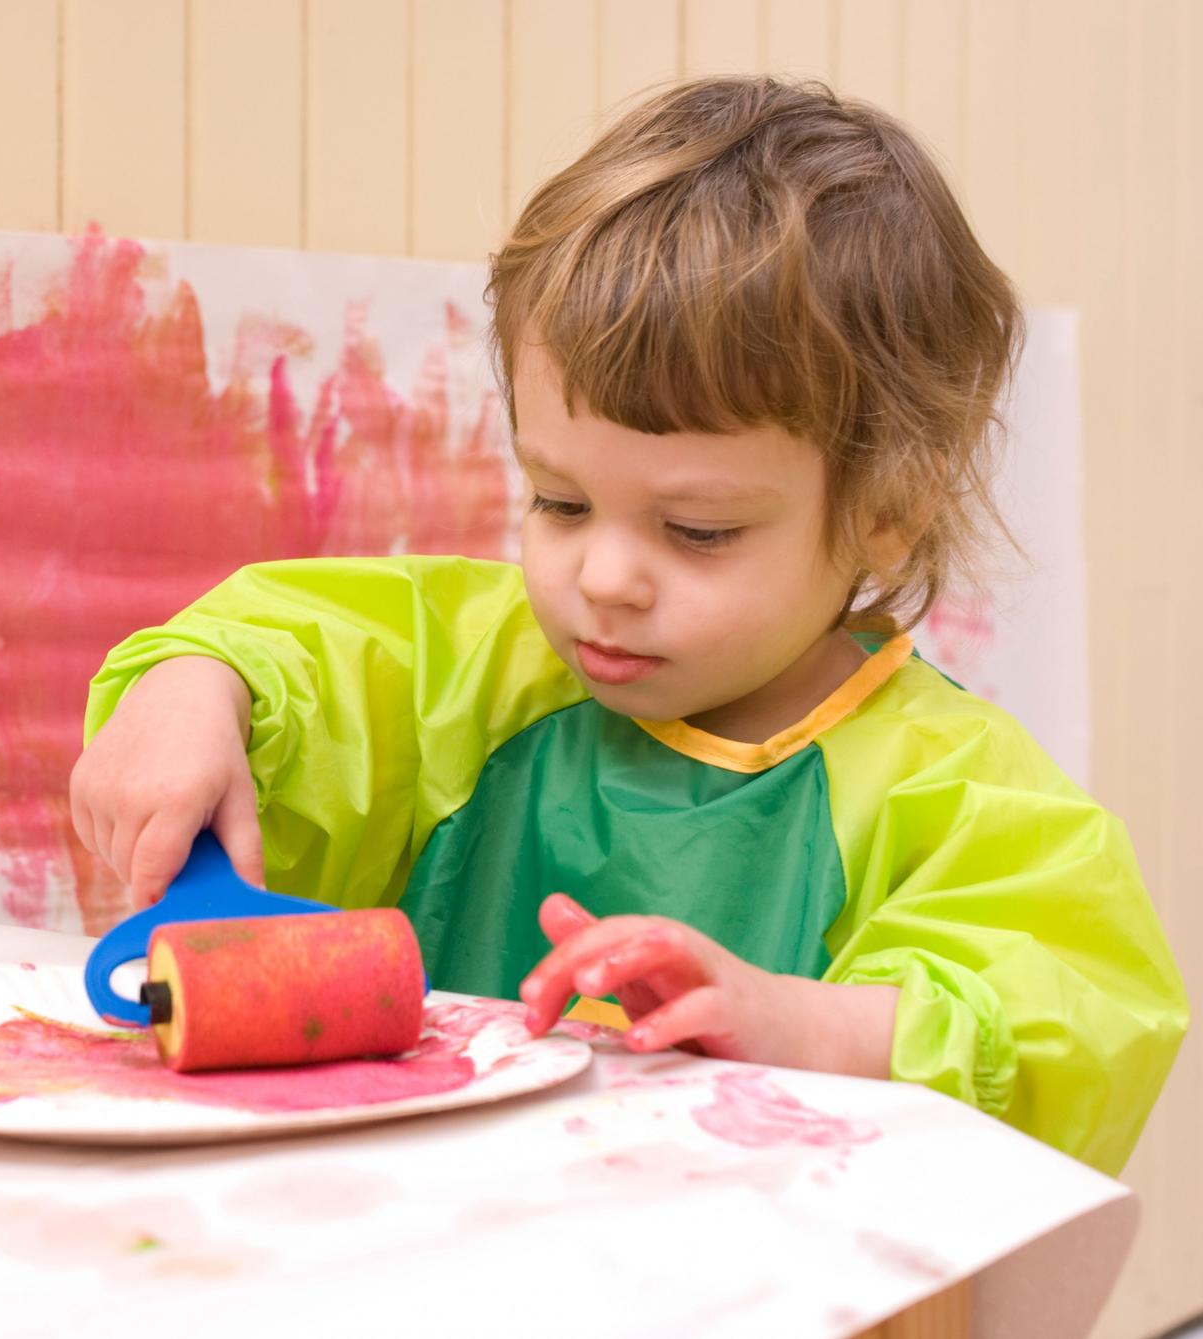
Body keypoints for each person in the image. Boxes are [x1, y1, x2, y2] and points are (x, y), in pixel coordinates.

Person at [68, 76, 1186, 1174]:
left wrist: (791, 1022)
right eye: (558, 502)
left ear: (885, 512)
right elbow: (283, 651)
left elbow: (1057, 1027)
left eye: (695, 530)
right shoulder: (476, 668)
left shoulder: (955, 796)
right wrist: (188, 694)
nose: (601, 577)